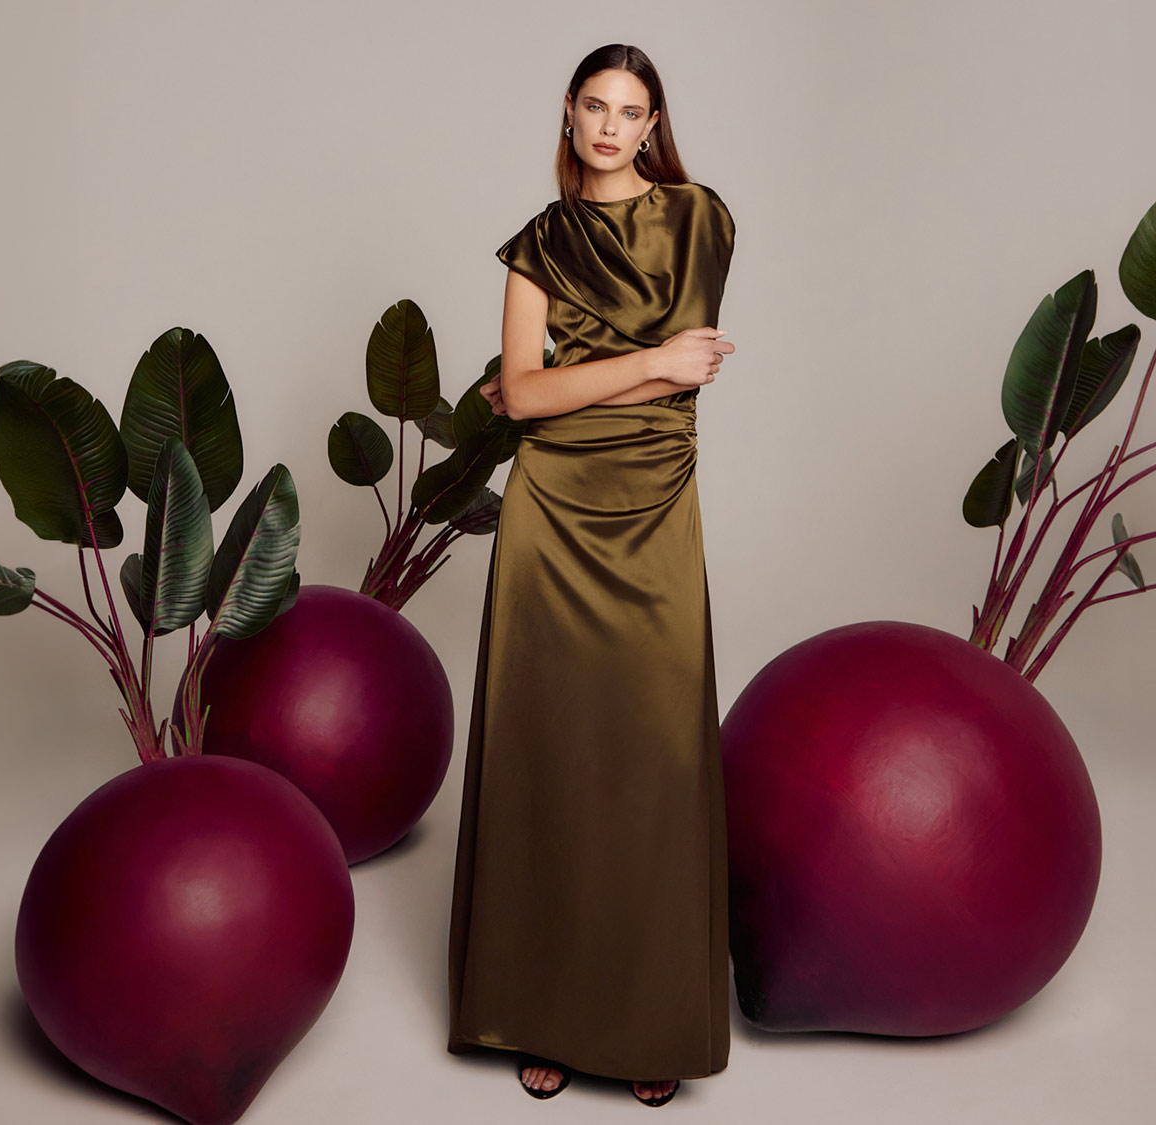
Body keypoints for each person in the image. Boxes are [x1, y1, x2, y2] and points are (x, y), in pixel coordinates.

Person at [444, 43, 737, 1109]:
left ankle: (649, 1015)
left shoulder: (700, 218)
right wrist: (651, 363)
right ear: (567, 114)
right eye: (595, 107)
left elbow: (671, 393)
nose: (612, 127)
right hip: (550, 518)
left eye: (633, 111)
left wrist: (615, 381)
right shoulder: (538, 245)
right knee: (552, 754)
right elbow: (521, 398)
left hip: (654, 502)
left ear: (655, 124)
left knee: (650, 759)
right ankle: (543, 1013)